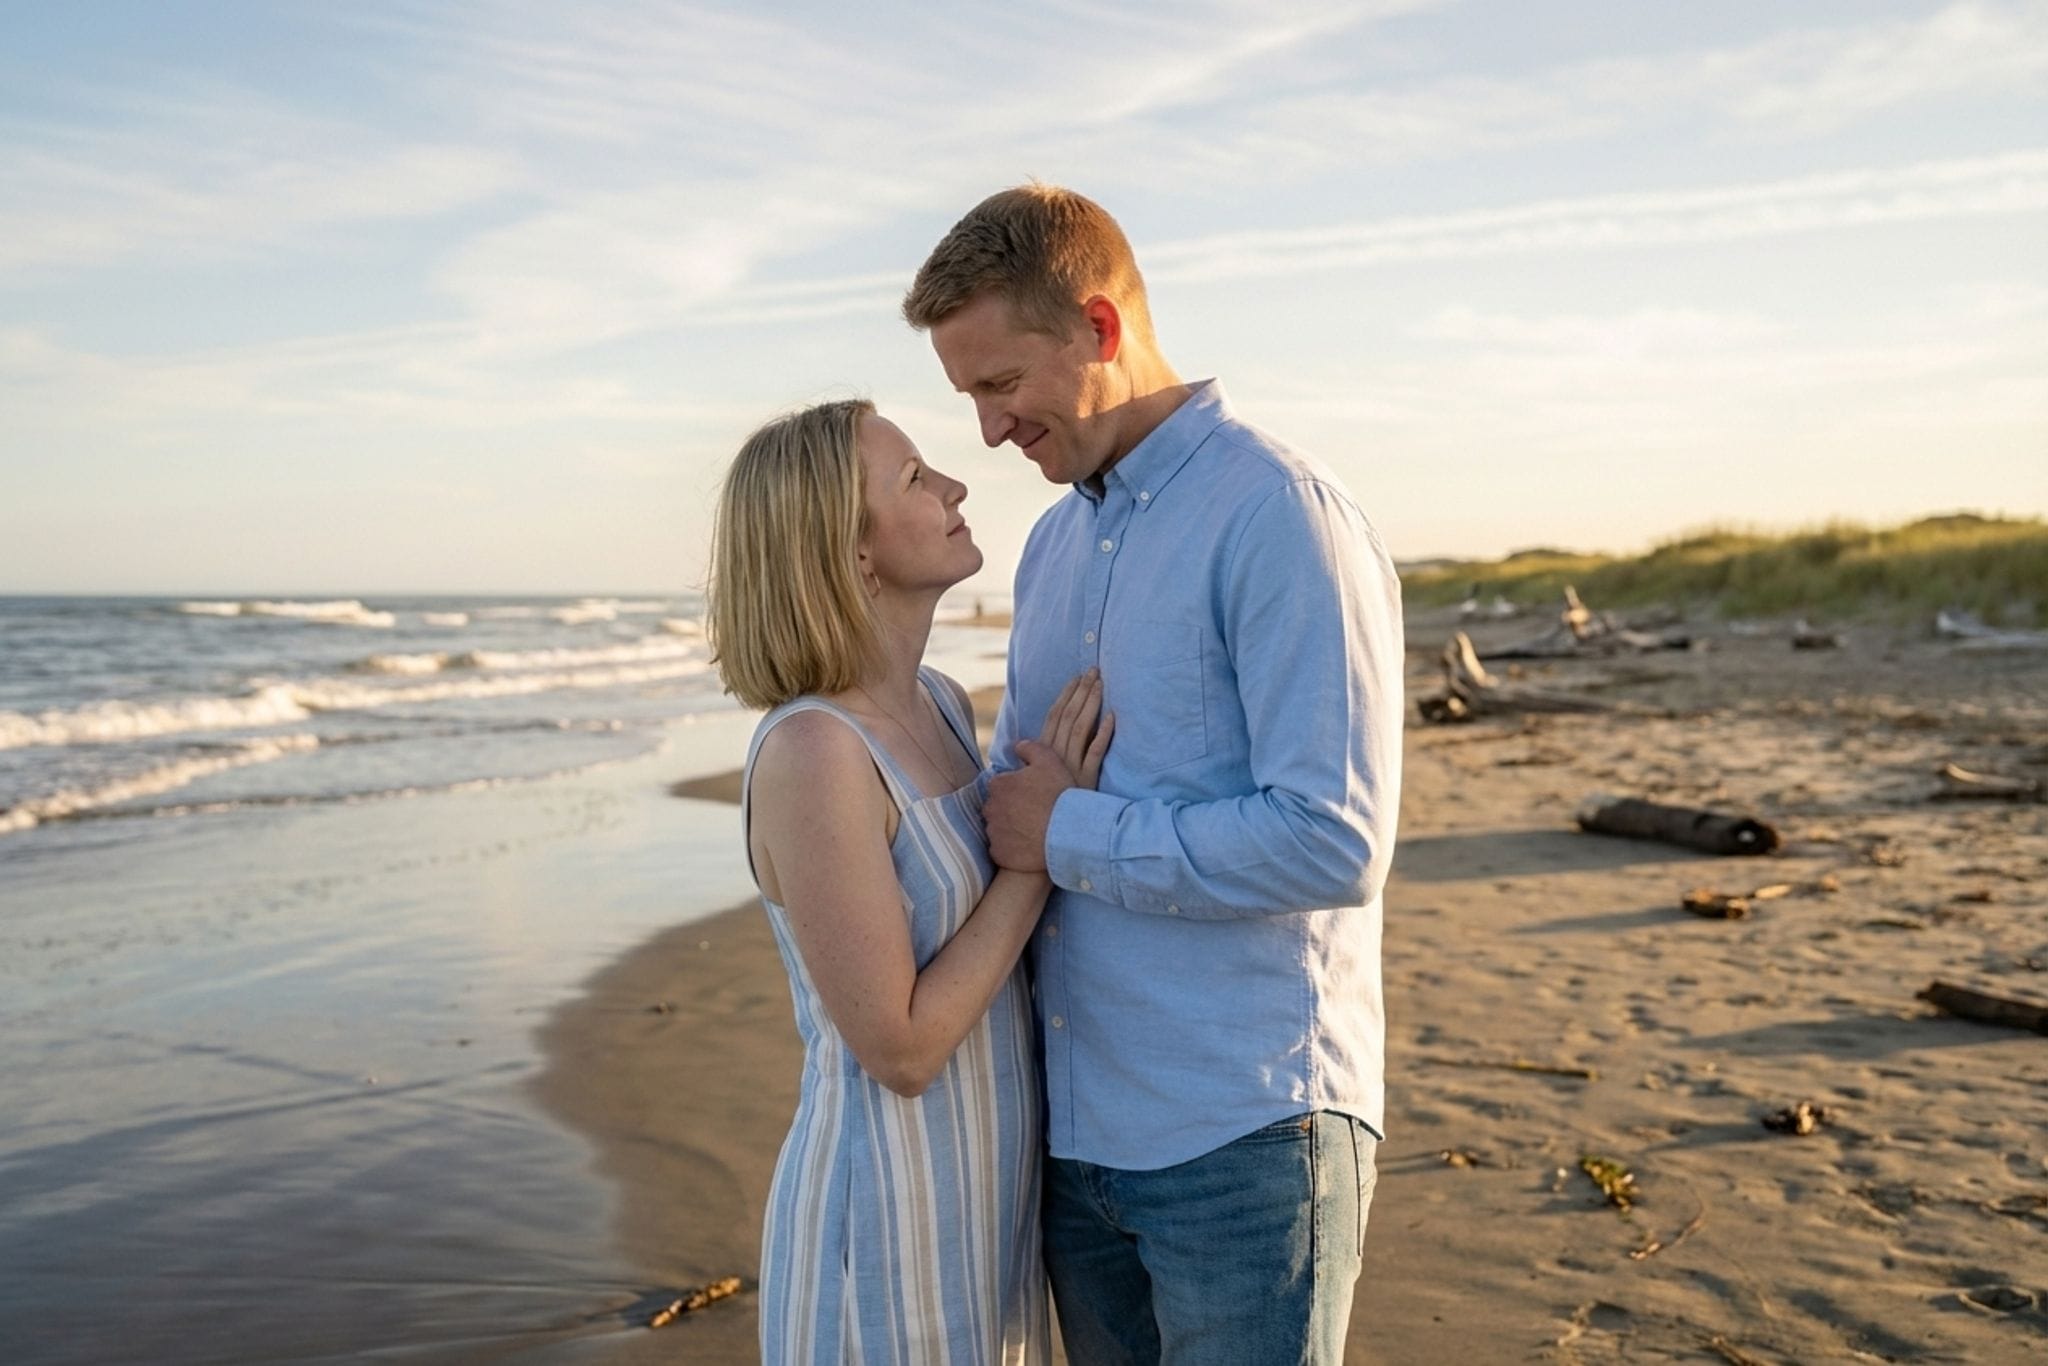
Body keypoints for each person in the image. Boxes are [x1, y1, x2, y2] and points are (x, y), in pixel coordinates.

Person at [902, 185, 1405, 1363]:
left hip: (1244, 1130)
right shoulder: (1054, 543)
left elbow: (1333, 839)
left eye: (998, 384)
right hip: (1076, 1139)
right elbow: (1022, 808)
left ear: (1098, 327)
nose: (985, 431)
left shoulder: (1279, 514)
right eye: (966, 395)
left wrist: (1071, 832)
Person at [707, 398, 1111, 1365]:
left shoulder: (937, 702)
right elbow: (899, 1047)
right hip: (884, 1228)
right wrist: (1039, 848)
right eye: (916, 480)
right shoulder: (816, 752)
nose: (956, 485)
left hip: (984, 1205)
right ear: (851, 554)